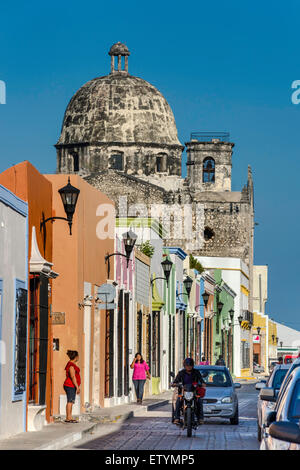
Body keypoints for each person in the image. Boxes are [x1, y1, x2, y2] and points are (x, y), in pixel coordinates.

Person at [172, 357, 205, 425]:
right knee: (178, 401)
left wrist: (202, 384)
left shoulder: (196, 372)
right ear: (184, 366)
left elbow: (201, 380)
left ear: (192, 365)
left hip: (194, 392)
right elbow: (175, 381)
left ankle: (200, 418)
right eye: (187, 365)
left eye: (190, 365)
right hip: (183, 392)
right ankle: (177, 418)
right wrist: (174, 384)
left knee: (199, 401)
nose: (189, 367)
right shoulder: (181, 373)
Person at [63, 350, 81, 423]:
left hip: (71, 386)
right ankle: (68, 418)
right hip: (70, 385)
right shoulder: (71, 365)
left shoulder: (72, 364)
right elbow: (73, 376)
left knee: (71, 401)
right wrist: (77, 387)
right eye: (78, 356)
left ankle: (70, 417)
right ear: (76, 357)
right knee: (70, 401)